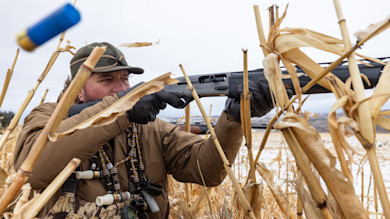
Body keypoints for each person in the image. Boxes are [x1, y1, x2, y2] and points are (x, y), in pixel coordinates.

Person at [14, 42, 274, 218]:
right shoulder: (48, 117)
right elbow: (32, 170)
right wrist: (119, 111)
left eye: (125, 79)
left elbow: (208, 170)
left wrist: (235, 117)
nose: (121, 89)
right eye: (107, 80)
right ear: (78, 89)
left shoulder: (149, 128)